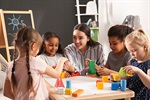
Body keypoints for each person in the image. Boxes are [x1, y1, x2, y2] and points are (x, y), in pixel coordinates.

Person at [3, 27, 68, 100]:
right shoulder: (36, 62)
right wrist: (61, 60)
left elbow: (6, 93)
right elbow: (56, 74)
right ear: (33, 46)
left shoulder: (10, 66)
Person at [111, 29, 150, 99]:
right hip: (130, 96)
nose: (132, 54)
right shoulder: (133, 62)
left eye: (134, 50)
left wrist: (138, 71)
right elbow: (126, 76)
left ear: (145, 47)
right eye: (129, 51)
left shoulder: (148, 63)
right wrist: (116, 77)